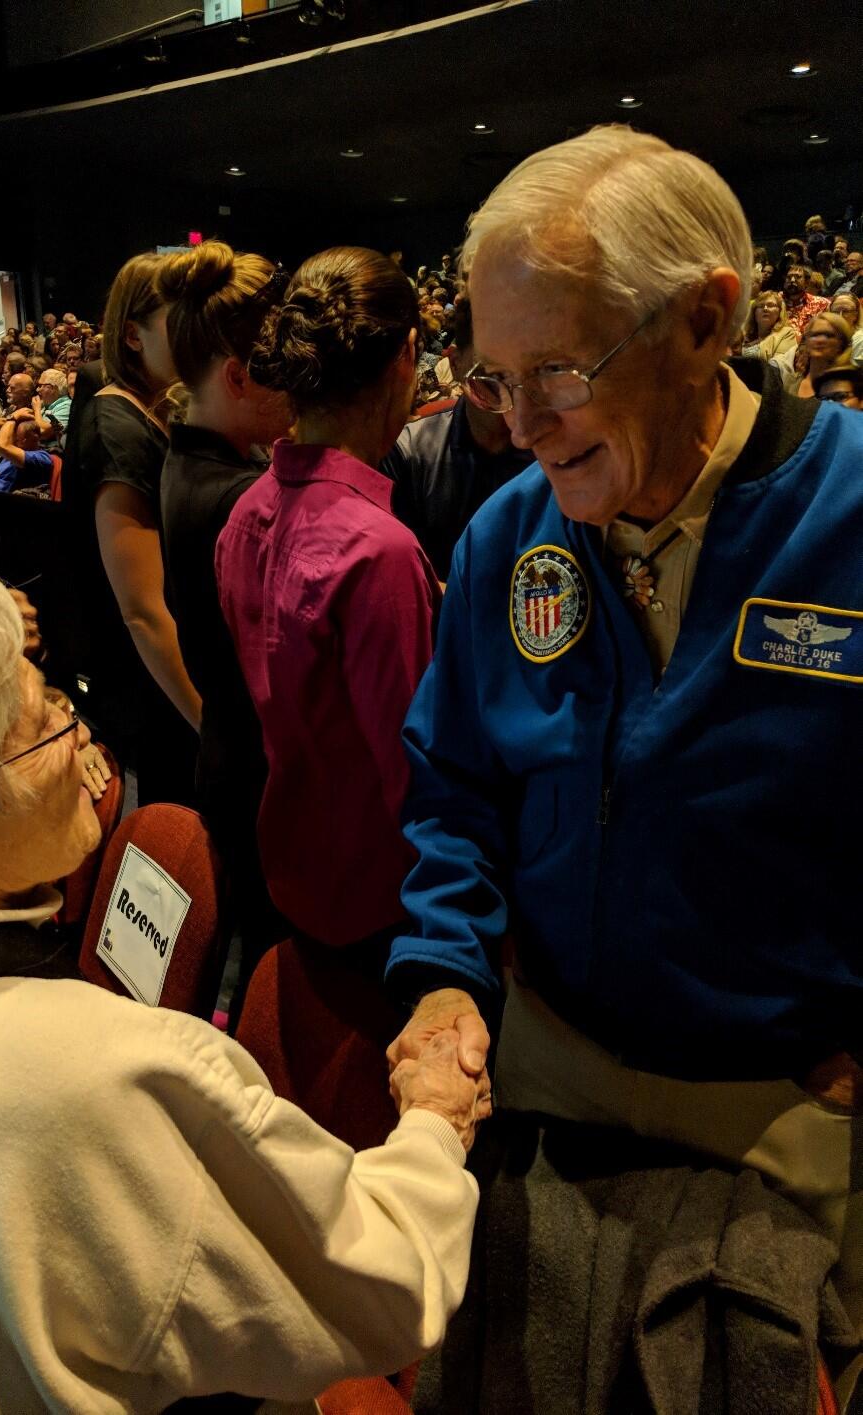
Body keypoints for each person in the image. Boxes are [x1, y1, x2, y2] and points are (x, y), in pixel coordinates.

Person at [382, 126, 863, 1405]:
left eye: (556, 370)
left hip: (778, 1104)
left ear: (705, 323)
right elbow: (454, 790)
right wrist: (440, 977)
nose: (521, 422)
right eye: (490, 379)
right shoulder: (503, 537)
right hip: (543, 1071)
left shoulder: (851, 511)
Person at [0, 536, 480, 1415]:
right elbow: (384, 1288)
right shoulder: (88, 1081)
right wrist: (432, 1118)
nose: (79, 733)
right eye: (41, 721)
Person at [217, 246, 441, 953]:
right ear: (407, 352)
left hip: (294, 868)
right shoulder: (379, 550)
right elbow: (415, 775)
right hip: (380, 898)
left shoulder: (245, 511)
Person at [158, 241, 293, 1008]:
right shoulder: (245, 495)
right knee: (268, 976)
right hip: (257, 770)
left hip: (224, 750)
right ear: (237, 376)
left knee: (244, 961)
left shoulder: (184, 463)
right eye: (283, 371)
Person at [67, 251, 200, 806]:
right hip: (147, 694)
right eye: (182, 319)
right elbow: (142, 612)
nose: (200, 333)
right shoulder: (116, 427)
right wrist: (207, 720)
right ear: (132, 336)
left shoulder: (158, 408)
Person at [381, 295, 534, 581]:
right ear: (454, 364)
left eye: (527, 376)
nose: (514, 403)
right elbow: (404, 575)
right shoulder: (409, 453)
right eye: (491, 378)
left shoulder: (553, 448)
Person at [776, 311, 854, 397]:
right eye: (815, 335)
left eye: (828, 335)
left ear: (841, 343)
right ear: (807, 341)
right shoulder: (788, 382)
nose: (820, 340)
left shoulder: (850, 388)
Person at [739, 291, 798, 362]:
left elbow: (779, 367)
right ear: (754, 312)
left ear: (780, 311)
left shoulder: (786, 333)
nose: (765, 309)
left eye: (770, 305)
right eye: (761, 306)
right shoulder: (744, 334)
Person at [781, 263, 829, 336]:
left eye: (798, 277)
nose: (792, 280)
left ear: (807, 282)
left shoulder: (822, 304)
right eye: (788, 277)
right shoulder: (776, 301)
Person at [828, 292, 863, 365]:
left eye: (846, 311)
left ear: (856, 314)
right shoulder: (823, 335)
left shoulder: (860, 339)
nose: (840, 316)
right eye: (835, 311)